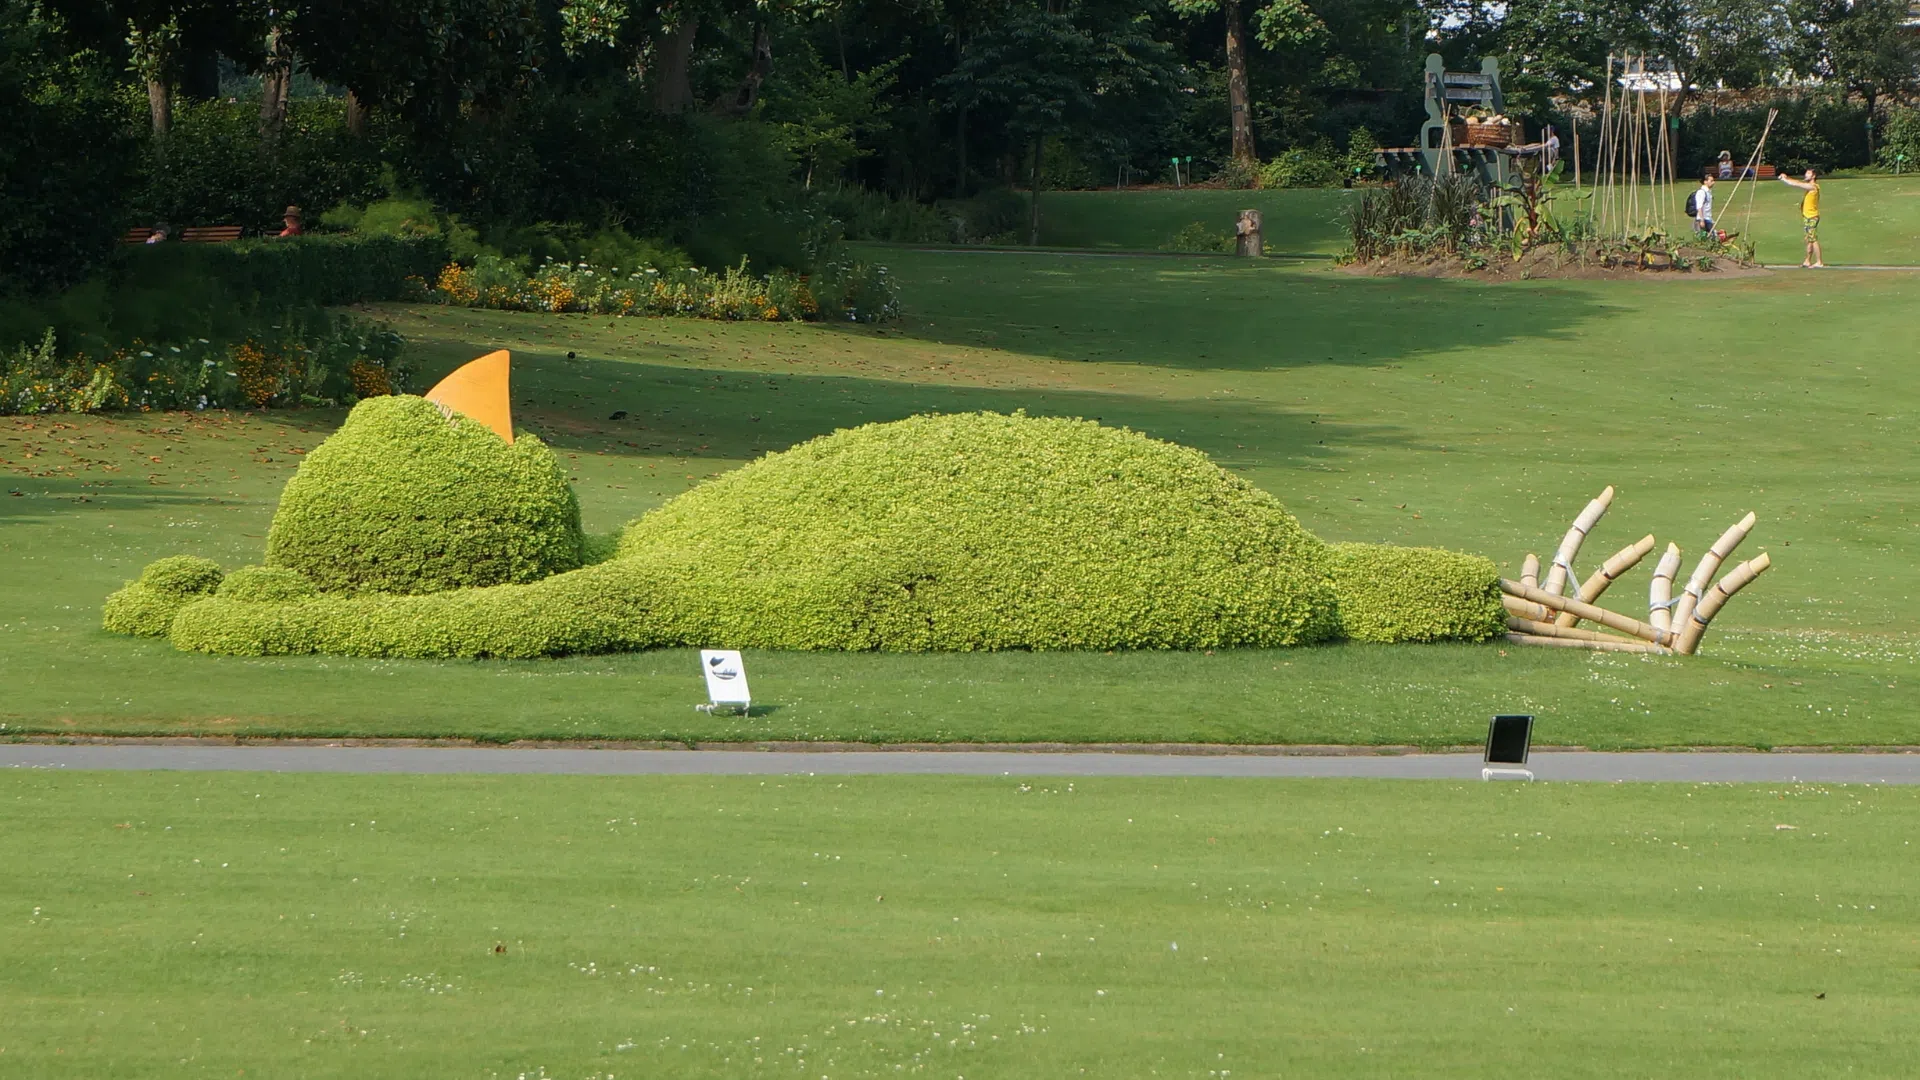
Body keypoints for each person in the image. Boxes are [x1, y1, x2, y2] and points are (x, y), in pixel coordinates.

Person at [1777, 169, 1823, 268]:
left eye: (1808, 173)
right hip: (1807, 216)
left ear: (1813, 176)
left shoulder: (1813, 186)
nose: (1806, 175)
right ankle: (1807, 260)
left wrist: (1784, 179)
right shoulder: (1809, 187)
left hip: (1812, 217)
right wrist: (1787, 177)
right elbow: (1798, 182)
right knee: (1808, 239)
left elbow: (1797, 184)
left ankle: (1819, 262)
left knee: (1813, 239)